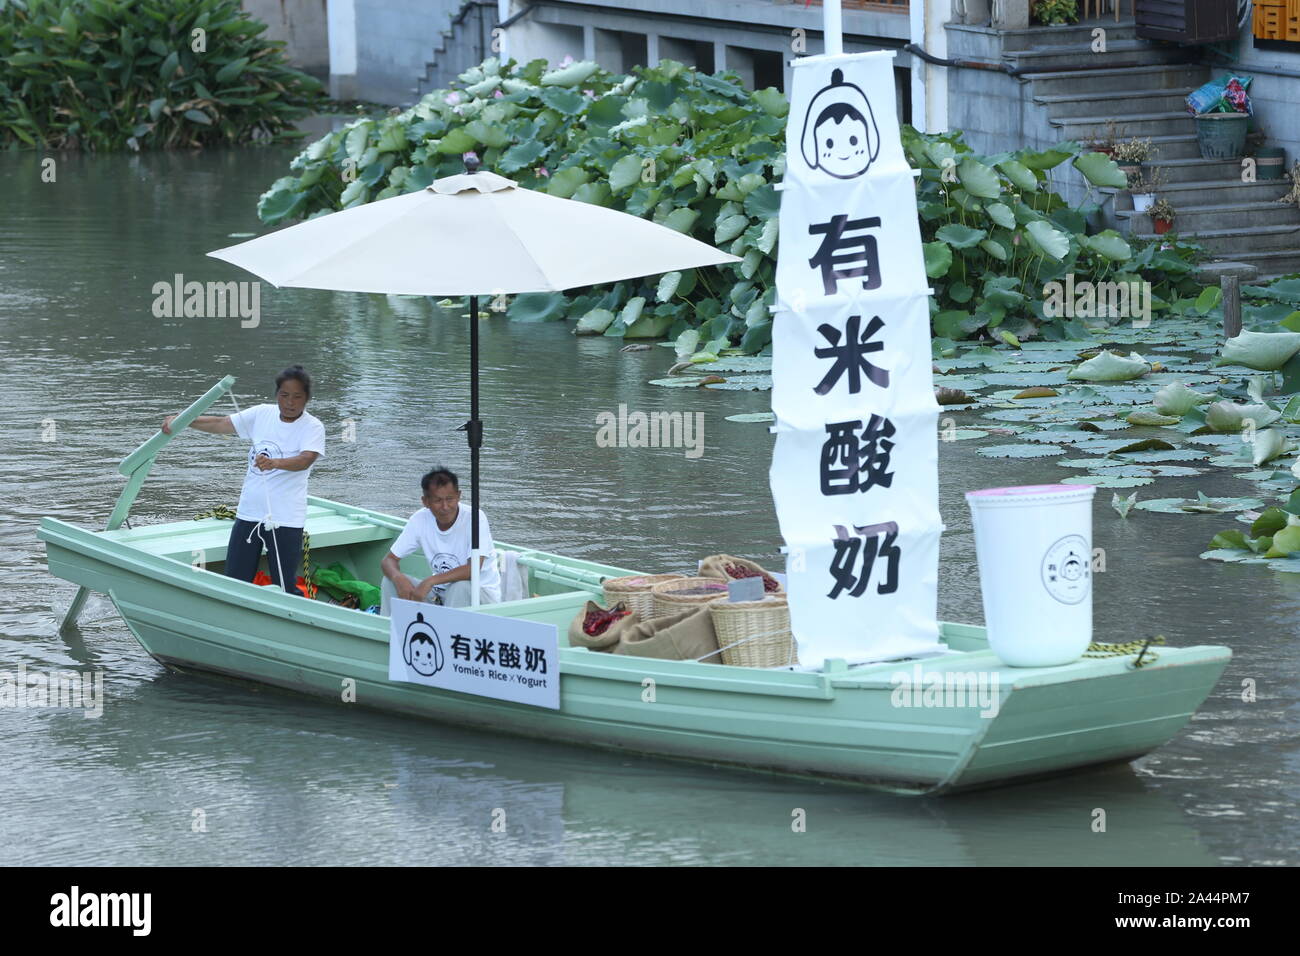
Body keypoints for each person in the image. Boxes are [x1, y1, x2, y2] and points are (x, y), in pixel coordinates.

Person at [163, 365, 325, 594]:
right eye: (284, 395)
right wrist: (183, 420)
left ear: (307, 398)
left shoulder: (313, 427)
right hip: (249, 514)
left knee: (285, 587)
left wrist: (275, 463)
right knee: (235, 581)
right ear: (276, 394)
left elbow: (305, 459)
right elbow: (221, 423)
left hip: (286, 519)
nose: (290, 402)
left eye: (297, 397)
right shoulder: (261, 414)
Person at [380, 466, 501, 613]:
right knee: (389, 581)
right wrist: (398, 578)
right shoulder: (419, 519)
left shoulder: (475, 517)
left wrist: (431, 581)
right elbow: (388, 560)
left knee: (460, 586)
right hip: (439, 596)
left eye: (450, 499)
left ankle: (450, 632)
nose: (445, 507)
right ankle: (392, 632)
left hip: (480, 597)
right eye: (438, 500)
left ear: (459, 496)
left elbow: (473, 570)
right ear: (426, 501)